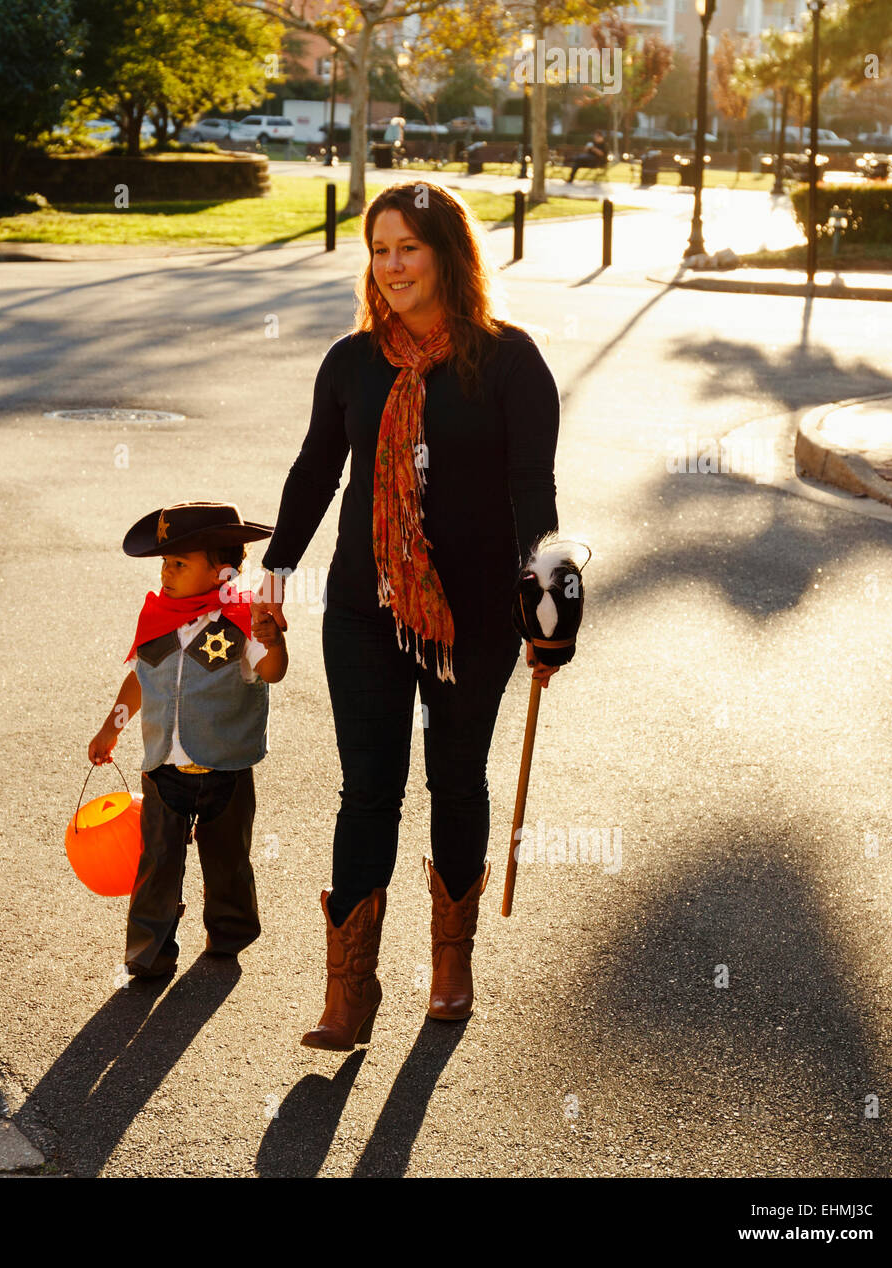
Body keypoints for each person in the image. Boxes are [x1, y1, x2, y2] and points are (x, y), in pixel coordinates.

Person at [250, 180, 563, 1050]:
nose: (389, 266)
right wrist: (278, 564)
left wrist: (544, 603)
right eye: (378, 250)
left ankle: (451, 963)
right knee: (367, 791)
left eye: (408, 249)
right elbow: (317, 471)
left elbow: (530, 489)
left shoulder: (508, 361)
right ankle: (349, 990)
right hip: (362, 608)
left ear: (448, 256)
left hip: (477, 617)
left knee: (457, 782)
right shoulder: (353, 362)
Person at [89, 501, 287, 979]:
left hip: (227, 768)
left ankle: (229, 931)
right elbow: (140, 679)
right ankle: (149, 951)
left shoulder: (245, 618)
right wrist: (111, 727)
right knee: (156, 863)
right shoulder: (157, 617)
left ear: (221, 572)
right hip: (163, 767)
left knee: (227, 858)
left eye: (179, 563)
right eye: (165, 562)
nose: (167, 572)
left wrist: (274, 639)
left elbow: (271, 673)